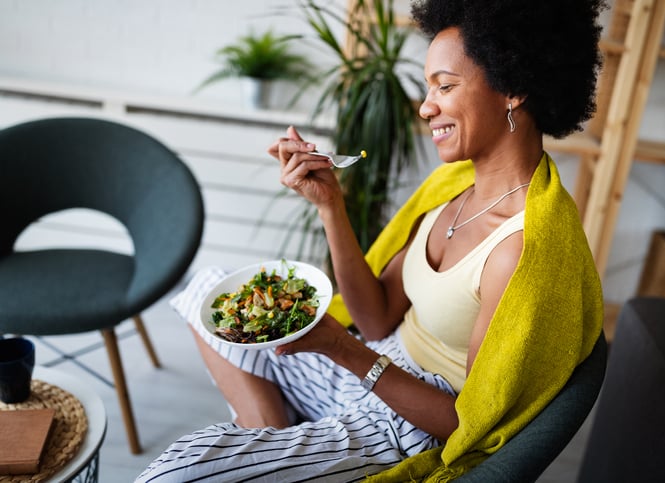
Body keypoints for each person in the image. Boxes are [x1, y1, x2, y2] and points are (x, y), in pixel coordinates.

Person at [137, 0, 605, 481]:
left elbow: (467, 427)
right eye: (429, 88)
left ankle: (270, 453)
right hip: (369, 364)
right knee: (206, 291)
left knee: (175, 472)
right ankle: (270, 439)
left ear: (514, 88)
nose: (426, 107)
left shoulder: (521, 251)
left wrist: (344, 350)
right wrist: (329, 205)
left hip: (405, 421)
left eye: (445, 86)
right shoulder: (454, 189)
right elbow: (377, 316)